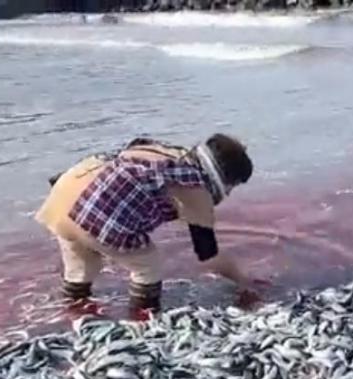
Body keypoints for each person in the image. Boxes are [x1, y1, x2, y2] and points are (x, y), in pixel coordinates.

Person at [34, 134, 266, 319]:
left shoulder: (169, 154)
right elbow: (208, 256)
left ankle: (71, 314)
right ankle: (142, 320)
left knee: (82, 264)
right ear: (224, 177)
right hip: (96, 212)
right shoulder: (196, 189)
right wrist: (243, 282)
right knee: (148, 264)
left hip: (64, 196)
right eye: (233, 185)